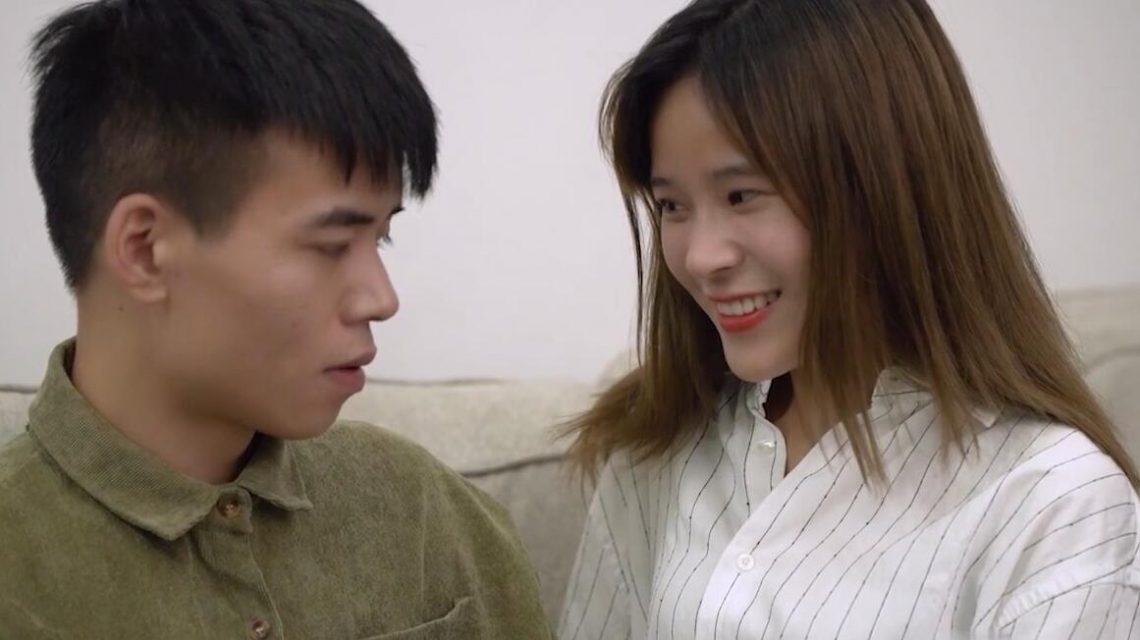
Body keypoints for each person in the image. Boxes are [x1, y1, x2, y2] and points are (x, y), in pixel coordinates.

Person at [559, 0, 1140, 638]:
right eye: (672, 205)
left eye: (742, 195)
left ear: (886, 188)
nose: (700, 257)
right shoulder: (656, 446)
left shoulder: (1056, 506)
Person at [0, 0, 551, 637]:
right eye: (331, 245)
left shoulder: (429, 512)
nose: (381, 298)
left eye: (381, 238)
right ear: (145, 249)